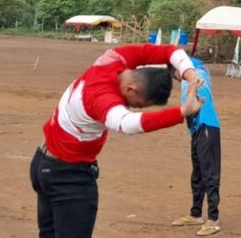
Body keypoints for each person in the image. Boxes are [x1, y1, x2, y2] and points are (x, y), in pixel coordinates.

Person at [31, 44, 203, 238]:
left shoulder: (114, 58)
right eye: (137, 104)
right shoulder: (101, 97)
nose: (135, 108)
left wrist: (190, 74)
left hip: (44, 164)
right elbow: (126, 123)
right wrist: (183, 111)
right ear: (131, 88)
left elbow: (170, 51)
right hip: (68, 177)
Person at [171, 57, 222, 236]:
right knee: (198, 173)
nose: (176, 78)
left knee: (210, 174)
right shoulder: (189, 79)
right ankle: (196, 213)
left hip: (207, 126)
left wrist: (194, 87)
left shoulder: (197, 75)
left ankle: (213, 218)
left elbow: (200, 93)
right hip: (196, 129)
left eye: (175, 74)